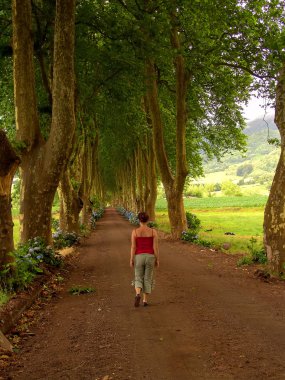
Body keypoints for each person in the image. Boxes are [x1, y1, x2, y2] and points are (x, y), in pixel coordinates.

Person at [130, 211, 159, 307]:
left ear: (139, 220)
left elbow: (133, 247)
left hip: (139, 257)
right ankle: (145, 300)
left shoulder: (135, 232)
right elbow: (155, 247)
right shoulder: (153, 231)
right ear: (148, 220)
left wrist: (131, 259)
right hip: (150, 256)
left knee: (138, 276)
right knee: (148, 278)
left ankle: (137, 294)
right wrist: (157, 259)